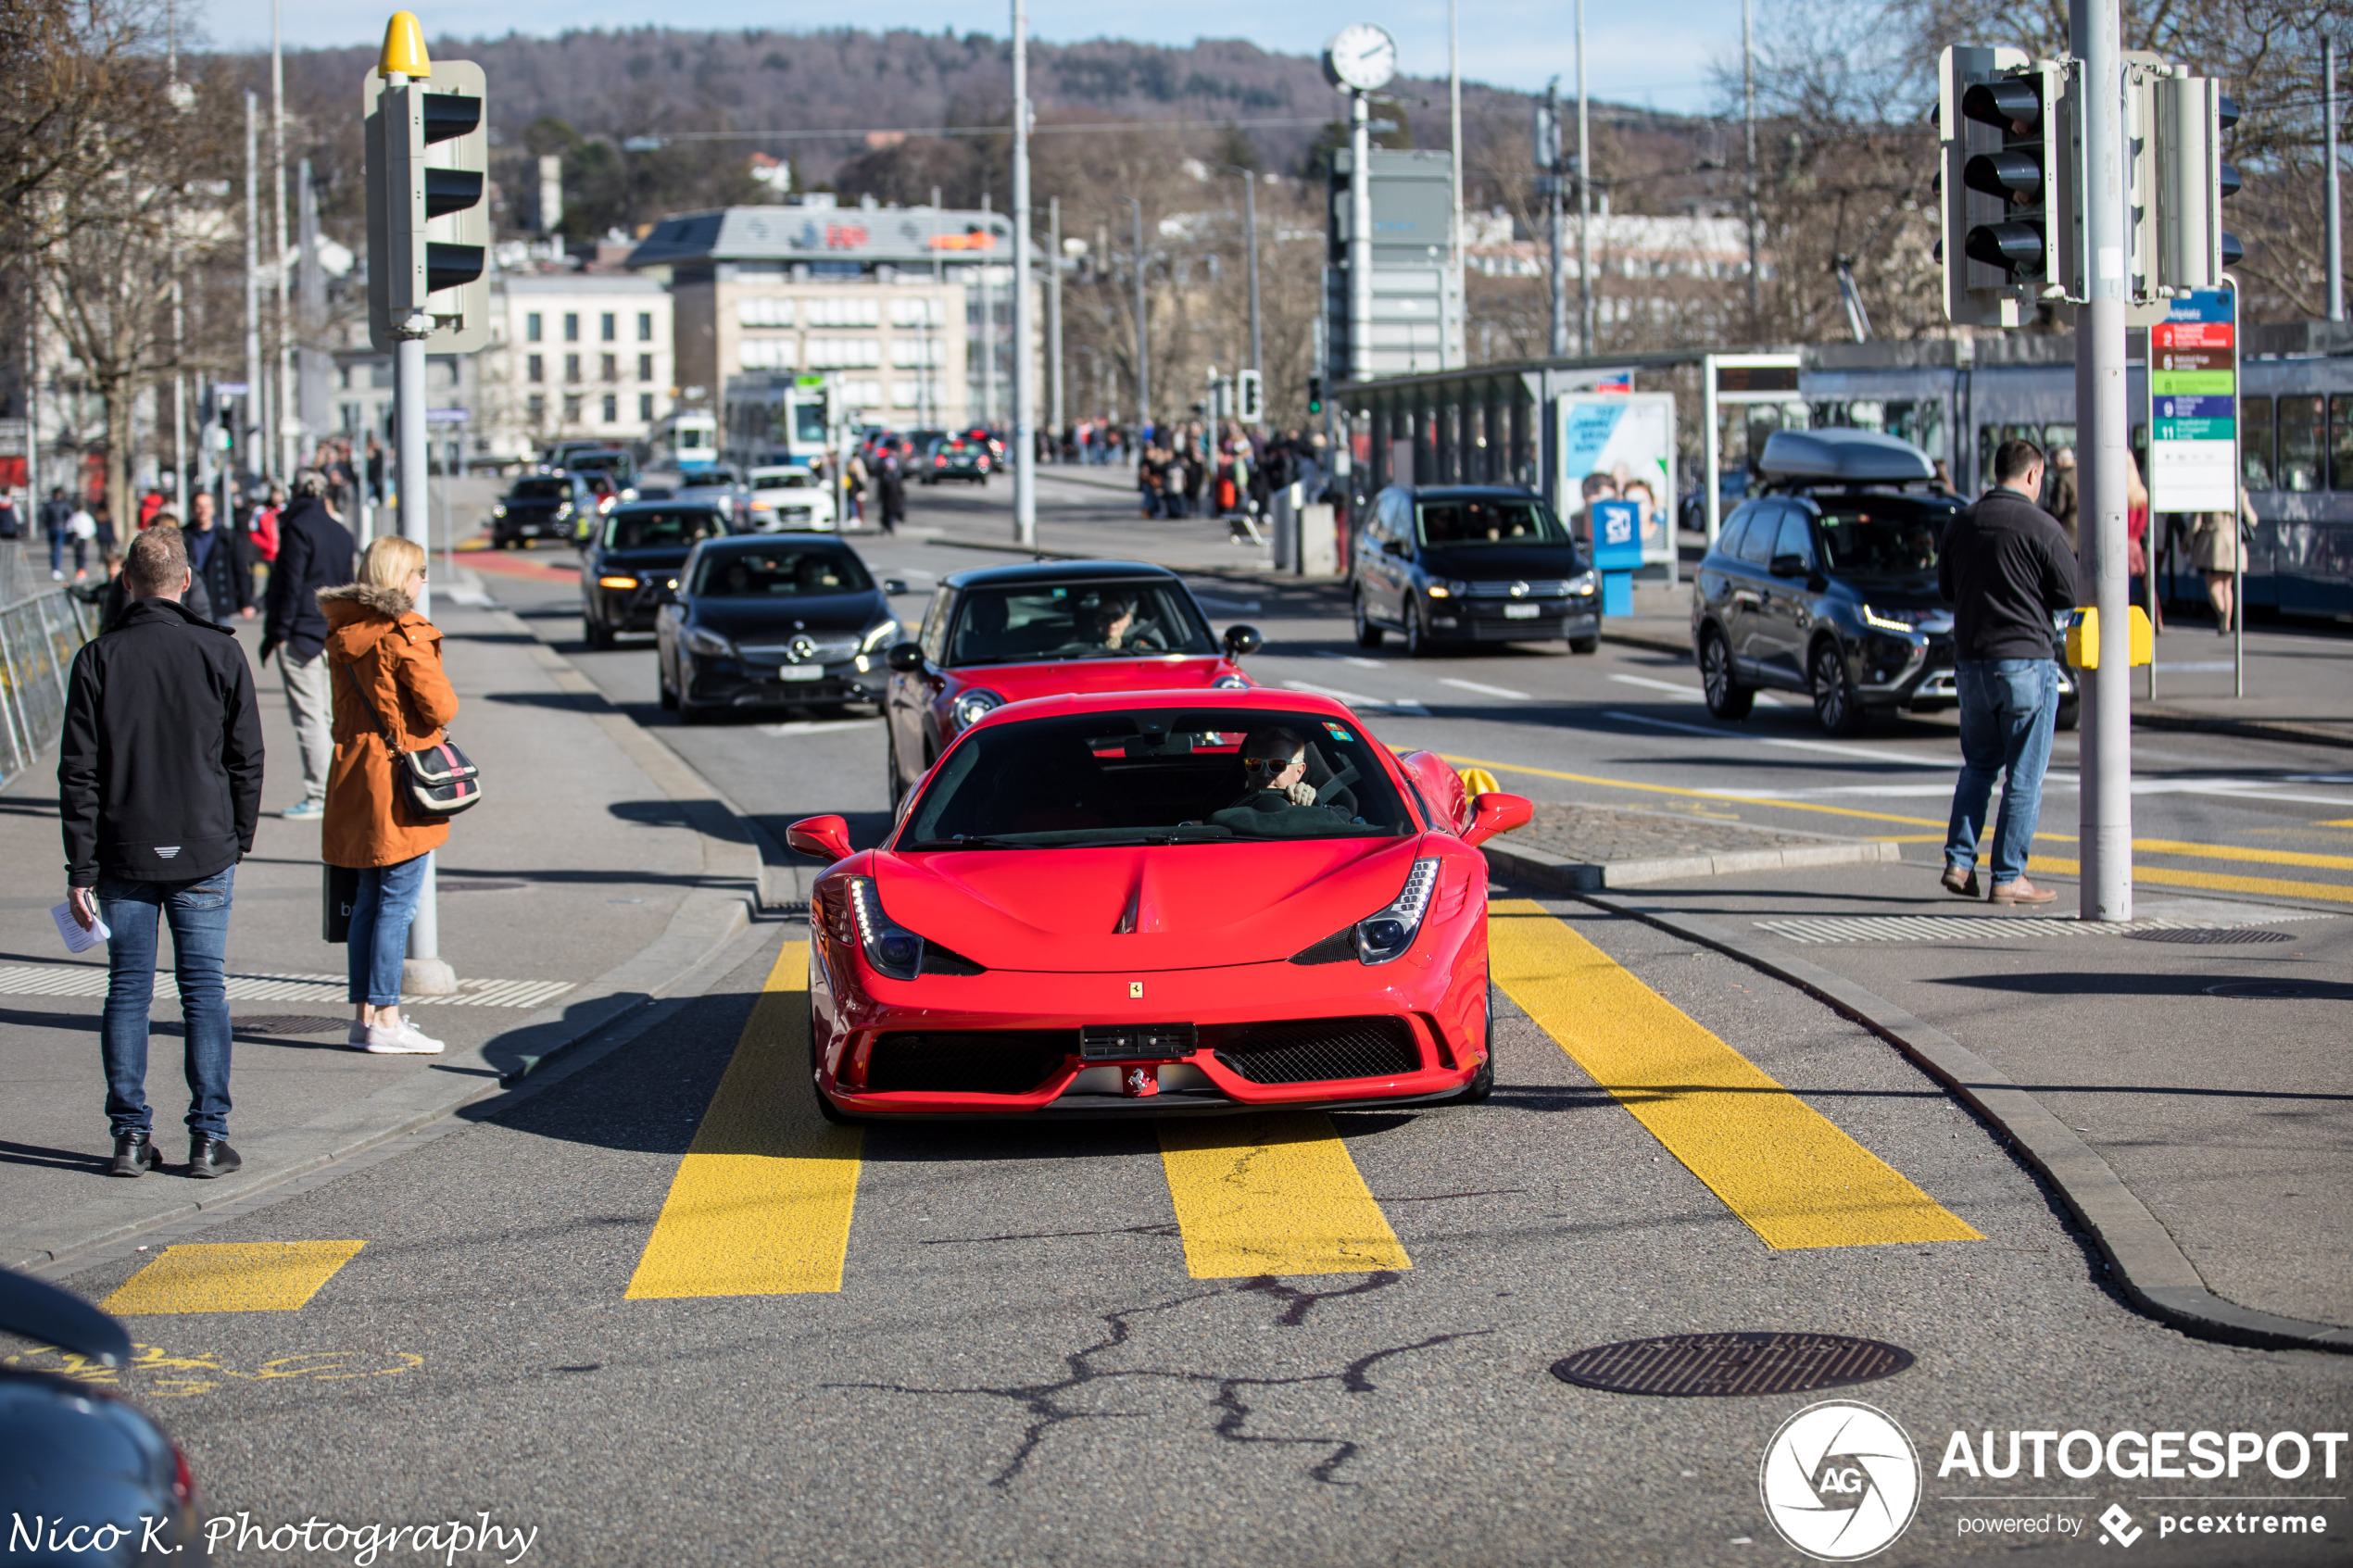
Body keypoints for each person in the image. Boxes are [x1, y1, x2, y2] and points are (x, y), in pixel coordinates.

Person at [58, 526, 265, 1179]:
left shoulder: (97, 659)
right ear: (184, 582)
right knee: (204, 989)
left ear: (126, 583)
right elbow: (247, 758)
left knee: (127, 989)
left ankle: (128, 1136)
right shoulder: (219, 652)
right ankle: (208, 1137)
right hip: (206, 845)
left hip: (123, 851)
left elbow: (78, 775)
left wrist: (81, 868)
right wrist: (240, 836)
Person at [321, 535, 459, 1055]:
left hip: (355, 773)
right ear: (402, 577)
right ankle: (387, 1019)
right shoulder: (405, 633)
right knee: (396, 904)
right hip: (399, 783)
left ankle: (364, 1017)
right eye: (420, 572)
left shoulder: (345, 630)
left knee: (367, 903)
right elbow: (440, 707)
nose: (424, 581)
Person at [1938, 437, 2078, 907]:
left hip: (1971, 664)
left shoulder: (1963, 523)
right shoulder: (2041, 526)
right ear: (2034, 475)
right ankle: (2008, 876)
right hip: (2025, 663)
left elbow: (1945, 588)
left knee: (1978, 766)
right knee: (2023, 774)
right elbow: (2069, 592)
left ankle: (1959, 862)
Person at [262, 469, 358, 822]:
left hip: (301, 631)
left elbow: (287, 584)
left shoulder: (296, 528)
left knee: (309, 716)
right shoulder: (341, 532)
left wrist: (278, 632)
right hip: (333, 632)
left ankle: (320, 793)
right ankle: (342, 787)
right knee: (332, 713)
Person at [1208, 727, 1355, 837]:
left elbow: (1349, 825)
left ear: (1299, 771)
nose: (1264, 774)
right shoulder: (1226, 808)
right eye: (1254, 764)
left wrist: (1313, 807)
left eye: (1276, 765)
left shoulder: (1322, 808)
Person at [2192, 486, 2255, 634]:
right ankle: (2226, 625)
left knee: (2213, 584)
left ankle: (2222, 613)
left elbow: (2196, 523)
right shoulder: (2239, 491)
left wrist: (2186, 540)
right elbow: (2253, 519)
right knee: (2227, 585)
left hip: (2214, 544)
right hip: (2234, 544)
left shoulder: (2207, 491)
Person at [185, 492, 254, 624]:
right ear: (192, 508)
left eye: (206, 506)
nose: (202, 510)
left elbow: (240, 570)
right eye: (199, 506)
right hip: (192, 603)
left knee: (221, 641)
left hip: (219, 602)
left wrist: (246, 602)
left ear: (213, 509)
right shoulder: (185, 536)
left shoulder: (227, 536)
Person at [41, 485, 80, 581]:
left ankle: (54, 567)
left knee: (53, 548)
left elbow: (43, 517)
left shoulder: (48, 505)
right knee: (58, 549)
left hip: (52, 528)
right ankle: (56, 568)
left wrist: (48, 524)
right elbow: (70, 515)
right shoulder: (64, 504)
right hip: (60, 528)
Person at [2045, 446, 2079, 552]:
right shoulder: (2080, 474)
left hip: (2068, 535)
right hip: (2082, 534)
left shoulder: (2062, 479)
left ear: (2058, 461)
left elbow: (2057, 509)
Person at [876, 454, 906, 535]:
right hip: (887, 499)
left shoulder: (896, 475)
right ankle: (886, 527)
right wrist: (879, 497)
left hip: (895, 499)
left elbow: (900, 487)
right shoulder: (884, 476)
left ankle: (891, 527)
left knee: (893, 514)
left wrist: (902, 495)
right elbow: (881, 488)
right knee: (886, 513)